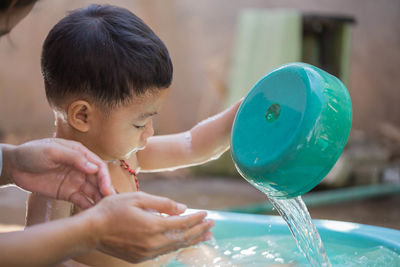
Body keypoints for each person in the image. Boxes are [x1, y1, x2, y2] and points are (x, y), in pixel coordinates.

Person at [26, 3, 243, 267]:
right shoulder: (56, 180)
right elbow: (40, 258)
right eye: (140, 124)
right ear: (82, 116)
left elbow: (192, 145)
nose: (149, 132)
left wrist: (241, 114)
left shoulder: (125, 155)